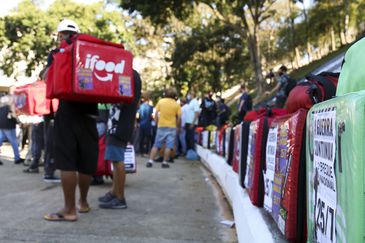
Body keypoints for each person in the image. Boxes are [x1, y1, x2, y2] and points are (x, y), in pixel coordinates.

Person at [43, 19, 98, 222]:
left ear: (60, 35)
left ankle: (69, 209)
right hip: (91, 113)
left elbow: (46, 77)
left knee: (67, 161)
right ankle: (83, 203)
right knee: (86, 160)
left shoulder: (58, 53)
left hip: (67, 112)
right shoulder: (89, 52)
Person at [98, 70, 141, 209]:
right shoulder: (129, 74)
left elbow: (121, 98)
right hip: (119, 123)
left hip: (119, 124)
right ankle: (114, 192)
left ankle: (120, 197)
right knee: (115, 160)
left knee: (117, 160)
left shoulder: (127, 75)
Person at [146, 88, 181, 168]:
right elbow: (179, 117)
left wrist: (157, 122)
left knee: (156, 144)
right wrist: (178, 126)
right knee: (169, 145)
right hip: (172, 127)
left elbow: (155, 113)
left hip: (161, 126)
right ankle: (165, 162)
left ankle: (150, 161)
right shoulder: (176, 104)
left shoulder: (161, 102)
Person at [0, 92, 23, 165]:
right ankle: (17, 158)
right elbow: (13, 113)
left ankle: (17, 157)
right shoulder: (11, 102)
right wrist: (19, 122)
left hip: (1, 122)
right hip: (8, 124)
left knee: (1, 139)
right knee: (14, 141)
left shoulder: (1, 101)